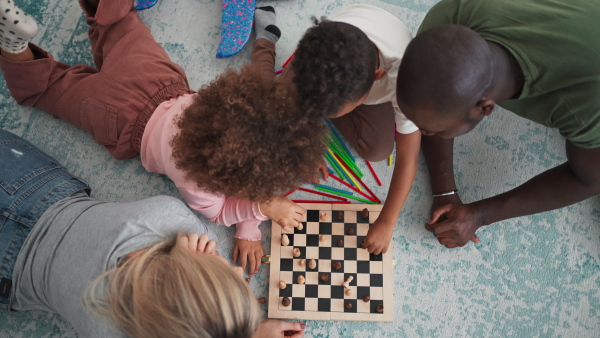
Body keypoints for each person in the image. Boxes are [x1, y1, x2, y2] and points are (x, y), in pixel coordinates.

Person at [0, 0, 326, 275]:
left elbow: (267, 125)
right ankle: (14, 50)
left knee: (119, 23)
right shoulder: (196, 178)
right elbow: (220, 212)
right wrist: (259, 210)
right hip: (116, 120)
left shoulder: (235, 112)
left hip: (155, 78)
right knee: (50, 89)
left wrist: (294, 157)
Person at [0, 129, 305, 337]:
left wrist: (186, 239)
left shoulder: (167, 220)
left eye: (229, 275)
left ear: (197, 260)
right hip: (11, 273)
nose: (240, 270)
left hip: (35, 185)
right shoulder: (111, 330)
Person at [396, 0, 600, 248]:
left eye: (431, 128)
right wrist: (445, 191)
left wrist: (482, 214)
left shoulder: (582, 108)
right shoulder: (451, 17)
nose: (418, 131)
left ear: (485, 108)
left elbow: (589, 180)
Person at [261, 4, 421, 255]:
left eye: (330, 113)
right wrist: (308, 147)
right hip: (324, 70)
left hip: (382, 78)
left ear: (377, 77)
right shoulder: (317, 47)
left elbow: (408, 158)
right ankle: (315, 100)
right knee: (279, 109)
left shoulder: (405, 82)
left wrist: (387, 222)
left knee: (378, 149)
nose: (321, 117)